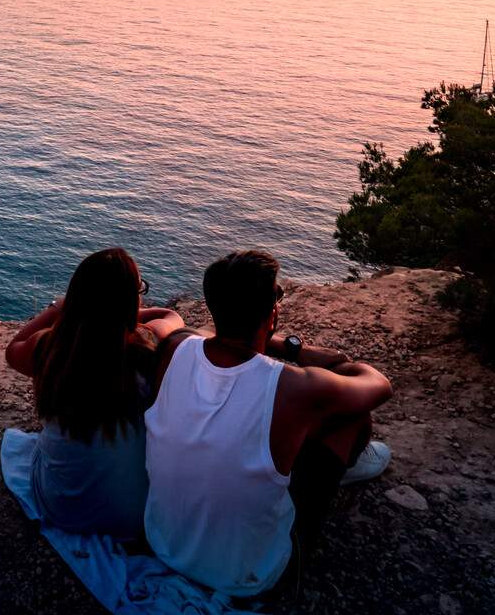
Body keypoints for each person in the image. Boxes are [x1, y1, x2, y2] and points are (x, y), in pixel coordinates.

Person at [142, 250, 393, 597]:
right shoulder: (295, 386)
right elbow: (378, 384)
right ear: (272, 313)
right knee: (352, 415)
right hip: (249, 576)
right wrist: (298, 352)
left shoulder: (174, 348)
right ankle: (344, 469)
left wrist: (280, 346)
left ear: (213, 306)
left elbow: (196, 333)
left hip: (162, 541)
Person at [5, 248, 186, 538]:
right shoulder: (146, 346)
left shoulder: (49, 349)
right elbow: (171, 317)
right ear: (130, 300)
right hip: (131, 519)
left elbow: (14, 348)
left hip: (61, 508)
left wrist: (58, 307)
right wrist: (123, 311)